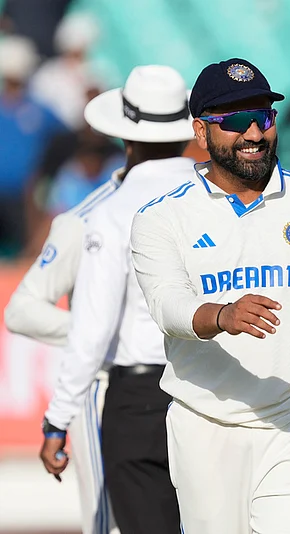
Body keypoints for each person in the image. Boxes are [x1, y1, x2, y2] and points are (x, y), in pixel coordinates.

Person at [129, 58, 290, 534]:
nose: (254, 133)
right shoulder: (162, 217)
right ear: (200, 132)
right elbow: (167, 306)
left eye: (263, 118)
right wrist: (221, 315)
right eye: (233, 121)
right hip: (206, 421)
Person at [39, 64, 196, 534]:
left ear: (125, 138)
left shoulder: (110, 213)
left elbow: (91, 329)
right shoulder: (219, 195)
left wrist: (57, 418)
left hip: (142, 398)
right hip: (220, 387)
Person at [4, 126, 123, 534]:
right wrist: (108, 334)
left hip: (170, 385)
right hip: (108, 382)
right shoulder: (83, 201)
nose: (91, 159)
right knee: (110, 519)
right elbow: (22, 309)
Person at [0, 35, 66, 257]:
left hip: (24, 197)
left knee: (25, 253)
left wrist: (44, 174)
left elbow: (65, 135)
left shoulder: (38, 108)